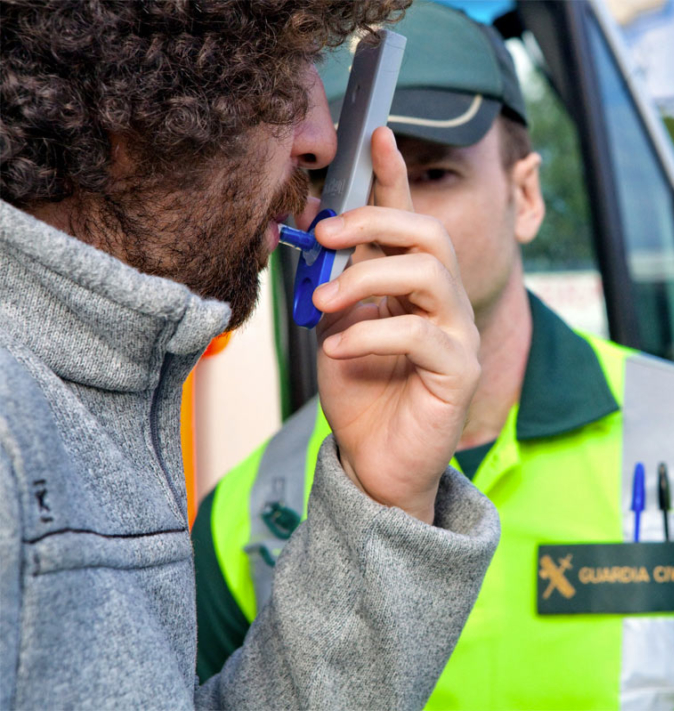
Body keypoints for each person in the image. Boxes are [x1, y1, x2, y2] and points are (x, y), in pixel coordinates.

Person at [195, 2, 674, 708]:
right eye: (341, 182)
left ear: (525, 195)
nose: (383, 216)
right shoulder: (239, 516)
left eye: (430, 175)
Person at [0, 1, 499, 708]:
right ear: (113, 79)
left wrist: (383, 502)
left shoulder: (96, 388)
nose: (323, 139)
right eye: (272, 67)